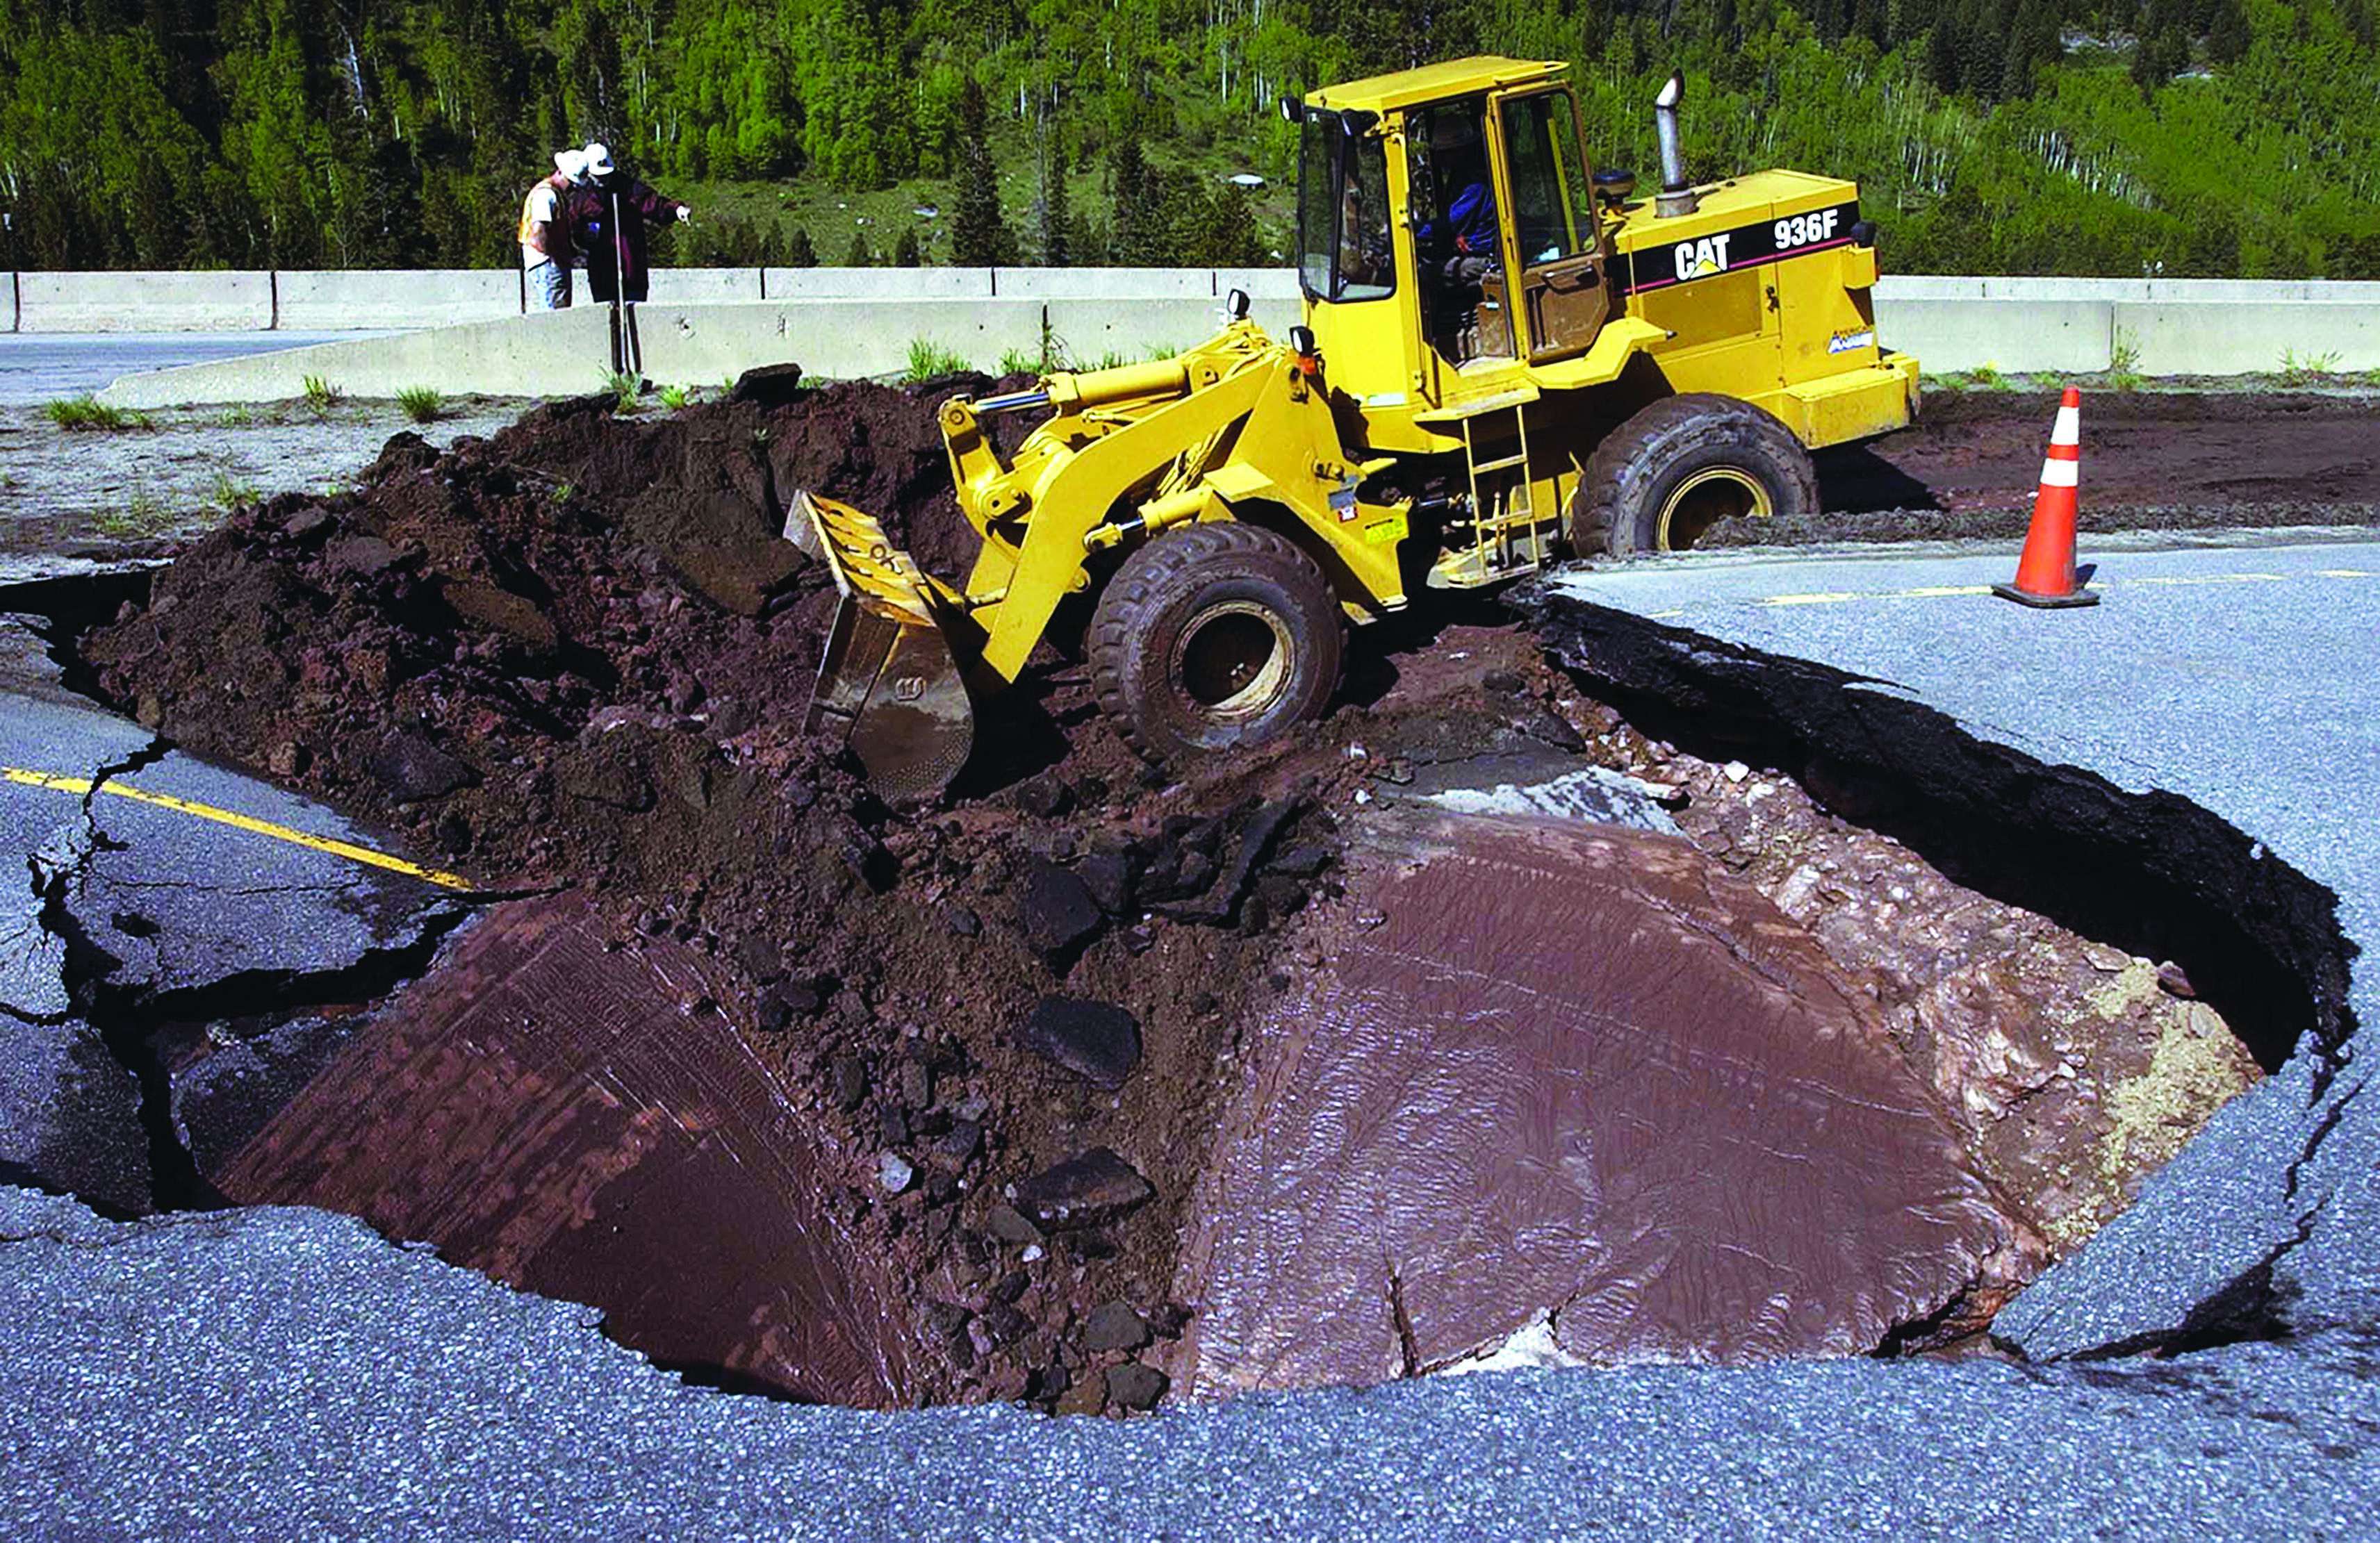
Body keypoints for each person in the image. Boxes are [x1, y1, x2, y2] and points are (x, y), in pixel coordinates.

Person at [568, 142, 690, 306]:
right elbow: (574, 227)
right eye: (599, 176)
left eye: (606, 175)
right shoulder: (582, 196)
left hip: (632, 268)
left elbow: (654, 204)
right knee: (606, 317)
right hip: (601, 271)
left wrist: (676, 210)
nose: (603, 179)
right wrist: (583, 237)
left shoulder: (628, 187)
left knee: (634, 317)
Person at [520, 149, 588, 311]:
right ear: (560, 172)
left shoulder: (552, 193)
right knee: (556, 317)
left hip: (548, 263)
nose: (573, 188)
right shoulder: (547, 195)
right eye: (571, 183)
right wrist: (555, 260)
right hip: (548, 264)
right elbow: (538, 235)